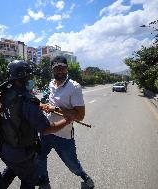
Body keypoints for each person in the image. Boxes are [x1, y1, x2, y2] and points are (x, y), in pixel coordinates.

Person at [0, 60, 71, 189]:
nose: (31, 79)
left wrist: (40, 106)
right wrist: (67, 120)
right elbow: (47, 128)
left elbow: (17, 112)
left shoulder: (4, 94)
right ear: (24, 77)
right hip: (22, 153)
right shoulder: (27, 100)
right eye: (29, 76)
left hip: (6, 149)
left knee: (13, 170)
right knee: (29, 181)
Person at [38, 56, 95, 189]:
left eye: (62, 68)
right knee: (39, 157)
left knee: (72, 165)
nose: (60, 71)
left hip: (63, 135)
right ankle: (44, 182)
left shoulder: (74, 87)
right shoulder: (51, 84)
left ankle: (85, 177)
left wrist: (55, 109)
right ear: (52, 70)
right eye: (57, 68)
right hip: (47, 131)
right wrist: (43, 105)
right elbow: (45, 100)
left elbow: (80, 116)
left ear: (67, 68)